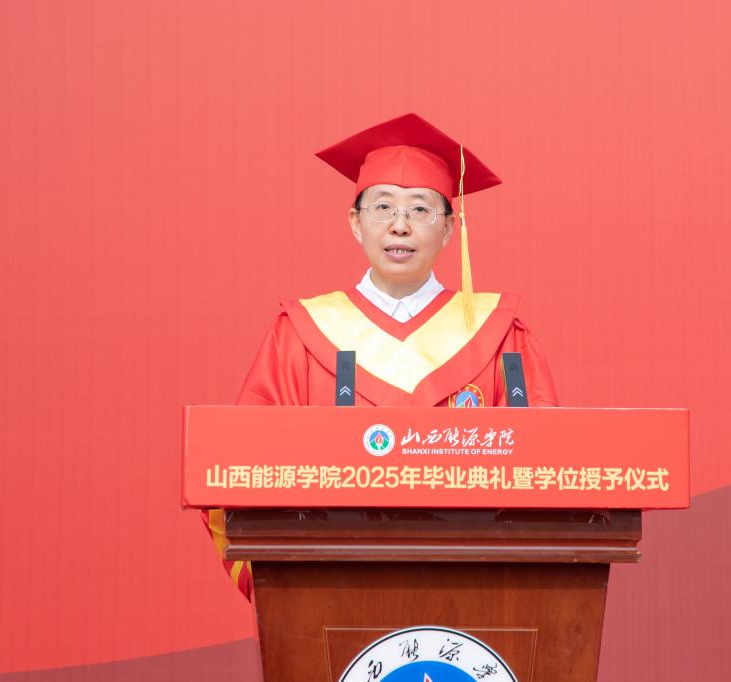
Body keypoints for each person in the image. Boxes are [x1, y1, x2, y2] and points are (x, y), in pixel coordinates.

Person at [206, 113, 559, 599]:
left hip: (473, 590)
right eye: (383, 207)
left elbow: (545, 469)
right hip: (332, 591)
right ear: (355, 223)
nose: (399, 226)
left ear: (449, 228)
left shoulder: (500, 334)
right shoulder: (300, 333)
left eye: (420, 210)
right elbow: (243, 469)